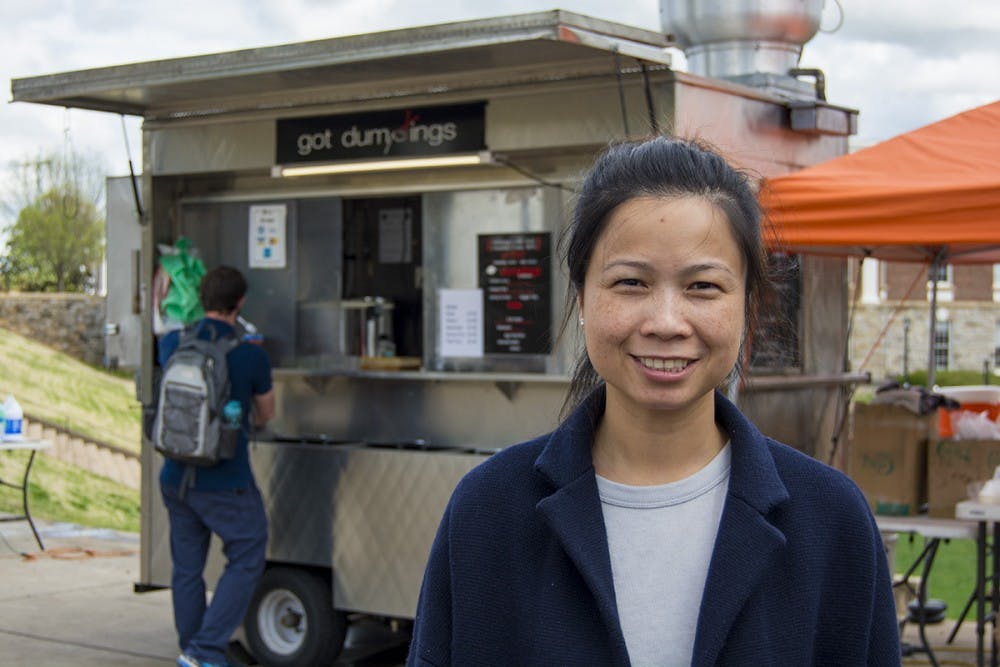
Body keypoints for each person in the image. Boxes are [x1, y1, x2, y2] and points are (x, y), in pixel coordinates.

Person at [407, 137, 899, 666]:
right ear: (581, 298)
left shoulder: (831, 522)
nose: (666, 322)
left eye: (703, 286)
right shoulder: (488, 512)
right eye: (631, 282)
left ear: (748, 306)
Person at [158, 266, 275, 667]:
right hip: (225, 479)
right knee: (248, 551)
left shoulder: (173, 343)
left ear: (202, 299)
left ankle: (193, 652)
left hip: (175, 477)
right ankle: (204, 651)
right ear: (240, 302)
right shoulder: (250, 355)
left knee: (187, 570)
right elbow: (266, 413)